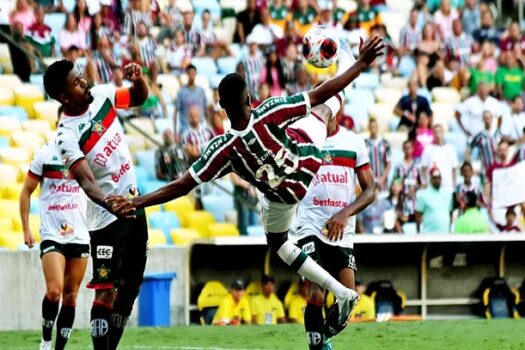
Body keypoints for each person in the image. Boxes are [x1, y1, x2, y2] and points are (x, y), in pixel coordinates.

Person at [108, 36, 386, 338]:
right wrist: (360, 63)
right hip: (307, 164)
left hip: (281, 198)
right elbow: (323, 92)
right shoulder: (269, 111)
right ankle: (345, 56)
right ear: (250, 100)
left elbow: (181, 185)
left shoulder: (223, 148)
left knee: (279, 244)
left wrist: (136, 203)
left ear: (221, 106)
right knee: (326, 105)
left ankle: (340, 292)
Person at [43, 59, 149, 350]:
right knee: (105, 292)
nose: (84, 82)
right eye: (77, 82)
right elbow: (87, 182)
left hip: (134, 207)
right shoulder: (66, 136)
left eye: (81, 77)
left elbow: (139, 97)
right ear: (64, 97)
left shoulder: (102, 95)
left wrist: (138, 80)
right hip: (105, 222)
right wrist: (110, 203)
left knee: (130, 290)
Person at [289, 109, 375, 349]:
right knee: (315, 291)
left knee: (349, 297)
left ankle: (323, 338)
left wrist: (345, 213)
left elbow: (370, 191)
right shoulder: (303, 141)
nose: (319, 117)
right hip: (310, 227)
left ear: (336, 111)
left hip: (342, 232)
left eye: (325, 112)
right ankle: (316, 347)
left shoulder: (354, 142)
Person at [19, 139, 90, 350]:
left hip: (79, 236)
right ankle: (46, 340)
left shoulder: (86, 156)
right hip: (52, 235)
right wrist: (26, 229)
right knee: (54, 292)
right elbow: (25, 192)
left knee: (70, 297)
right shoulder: (45, 153)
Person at [415, 167, 453, 234]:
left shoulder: (448, 194)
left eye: (439, 177)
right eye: (435, 178)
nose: (437, 180)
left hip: (445, 234)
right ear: (431, 179)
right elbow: (418, 215)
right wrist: (418, 234)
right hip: (429, 234)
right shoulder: (424, 195)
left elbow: (450, 213)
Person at [421, 124, 459, 191]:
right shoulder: (428, 149)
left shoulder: (450, 148)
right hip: (432, 188)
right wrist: (424, 184)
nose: (438, 135)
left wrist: (455, 186)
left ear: (443, 132)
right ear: (433, 134)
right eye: (435, 132)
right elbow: (423, 168)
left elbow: (455, 169)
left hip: (447, 187)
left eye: (439, 132)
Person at [174, 64, 207, 135]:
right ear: (187, 74)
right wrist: (175, 132)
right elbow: (176, 112)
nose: (191, 76)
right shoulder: (181, 92)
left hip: (200, 129)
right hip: (186, 129)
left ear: (196, 74)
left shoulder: (201, 91)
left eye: (193, 73)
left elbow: (205, 110)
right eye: (190, 73)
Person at [468, 111, 499, 180]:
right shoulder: (480, 136)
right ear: (483, 120)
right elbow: (469, 150)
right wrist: (473, 166)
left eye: (489, 118)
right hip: (485, 169)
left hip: (498, 168)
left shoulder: (498, 133)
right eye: (485, 118)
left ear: (492, 119)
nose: (487, 120)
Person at [365, 118, 391, 192]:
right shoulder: (365, 143)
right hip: (369, 182)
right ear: (369, 128)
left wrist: (382, 179)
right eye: (371, 127)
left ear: (377, 127)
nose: (373, 129)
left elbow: (388, 164)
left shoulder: (385, 143)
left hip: (382, 183)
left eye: (375, 127)